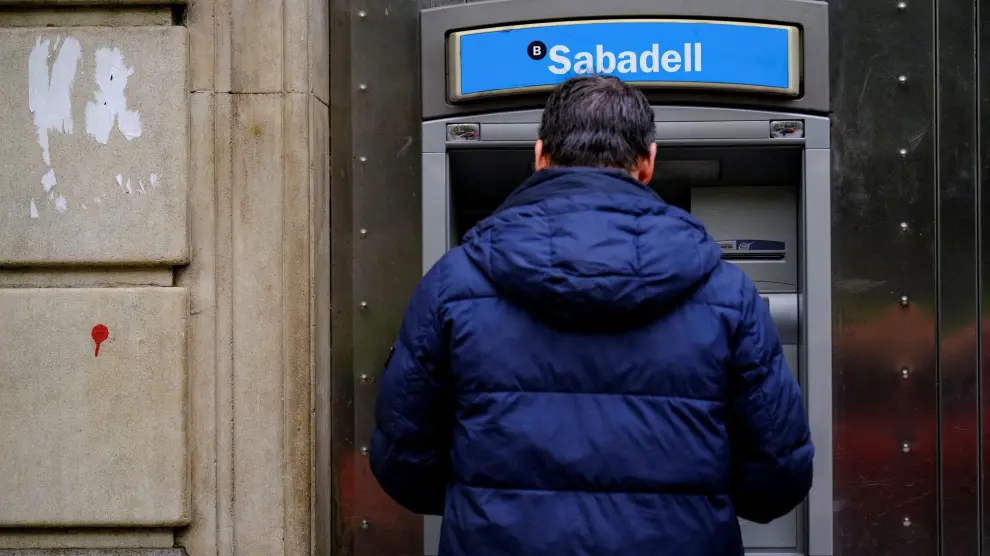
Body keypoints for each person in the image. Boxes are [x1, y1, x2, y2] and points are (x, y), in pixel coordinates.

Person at [369, 75, 814, 556]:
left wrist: (484, 497)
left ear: (539, 156)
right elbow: (780, 474)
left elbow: (401, 461)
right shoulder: (729, 293)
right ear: (647, 163)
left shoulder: (453, 284)